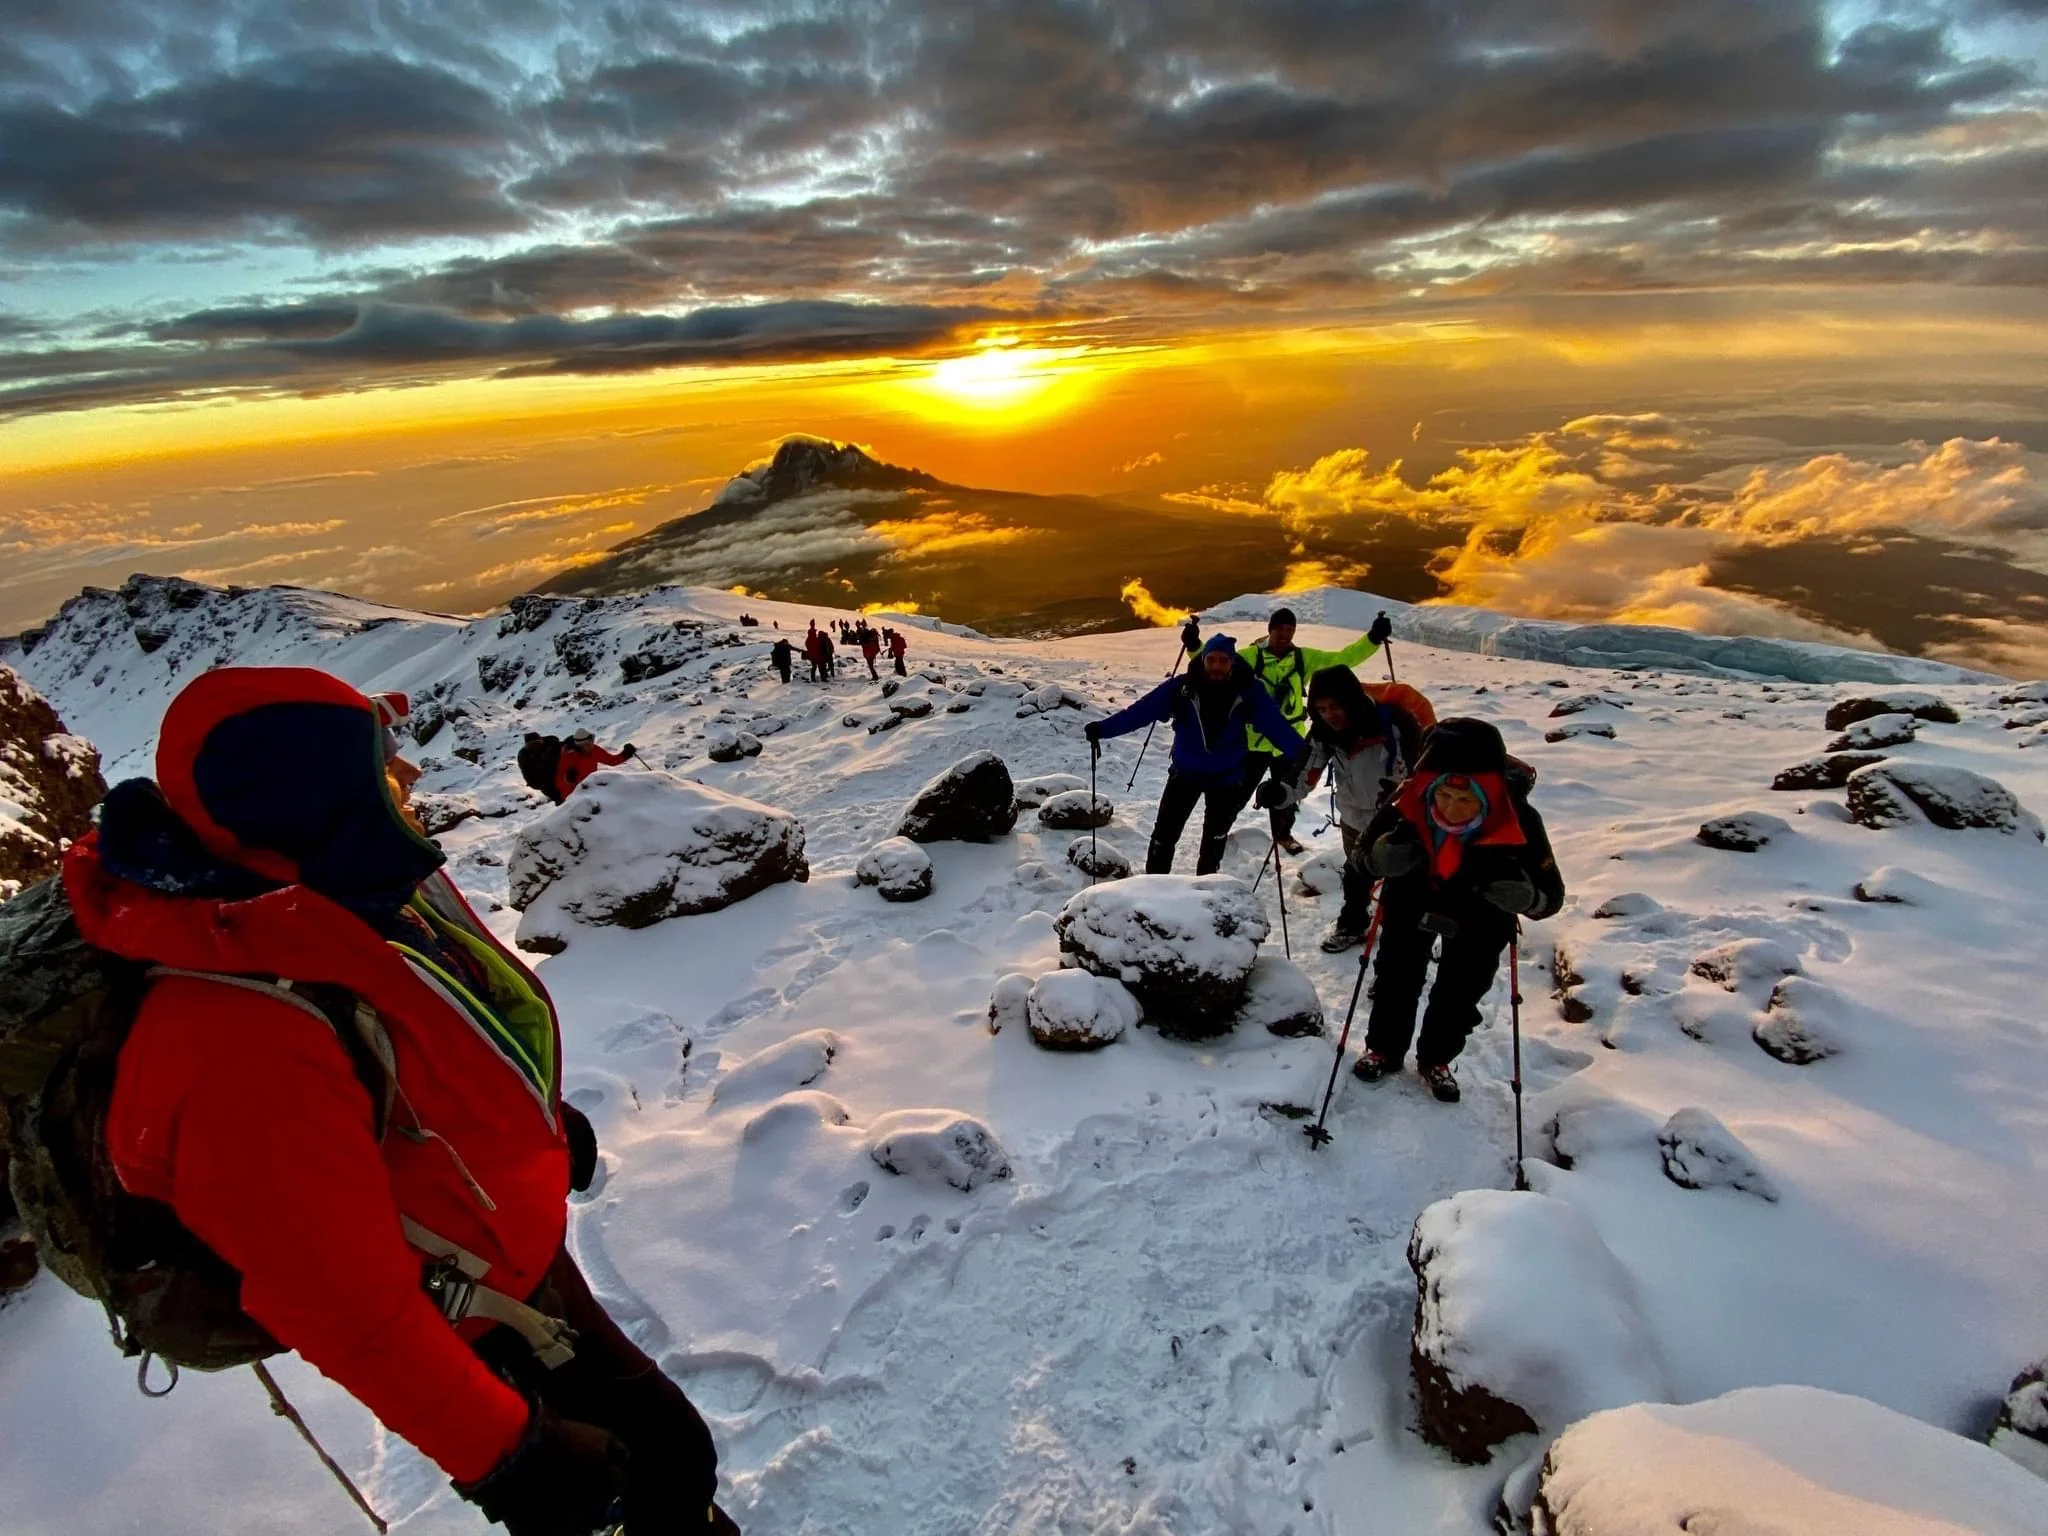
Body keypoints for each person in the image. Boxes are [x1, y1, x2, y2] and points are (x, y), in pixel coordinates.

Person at [64, 667, 737, 1533]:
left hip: (505, 1262)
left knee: (673, 1460)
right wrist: (508, 1454)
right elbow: (342, 1305)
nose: (410, 783)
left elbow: (418, 1059)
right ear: (308, 794)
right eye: (382, 769)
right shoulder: (232, 1039)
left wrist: (528, 1127)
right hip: (469, 1322)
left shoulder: (323, 904)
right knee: (656, 1469)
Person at [1349, 717, 1563, 1103]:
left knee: (1460, 993)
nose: (1452, 809)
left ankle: (1436, 1058)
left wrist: (1529, 899)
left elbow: (1552, 895)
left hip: (1480, 920)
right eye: (1443, 797)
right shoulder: (1405, 801)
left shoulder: (1521, 820)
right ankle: (1384, 1049)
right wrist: (1377, 859)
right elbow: (1360, 856)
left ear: (1491, 793)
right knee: (1396, 978)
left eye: (1466, 800)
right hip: (1411, 903)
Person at [1086, 635, 1305, 875]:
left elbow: (1276, 727)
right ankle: (1152, 888)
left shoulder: (1248, 690)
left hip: (1227, 778)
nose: (1217, 666)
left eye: (1223, 661)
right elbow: (1142, 711)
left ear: (1232, 662)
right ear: (1203, 660)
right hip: (1185, 773)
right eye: (1212, 660)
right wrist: (1104, 729)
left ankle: (1205, 890)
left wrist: (1309, 755)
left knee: (1214, 840)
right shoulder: (1182, 688)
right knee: (1164, 837)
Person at [1244, 607, 1394, 855]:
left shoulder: (1302, 658)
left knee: (1289, 785)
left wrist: (1373, 639)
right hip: (1253, 740)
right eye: (1280, 628)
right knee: (1239, 792)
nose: (1285, 634)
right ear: (1269, 629)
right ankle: (1222, 830)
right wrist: (1195, 644)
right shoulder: (1250, 657)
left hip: (1290, 738)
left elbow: (1343, 659)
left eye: (1290, 629)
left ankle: (1283, 834)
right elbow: (1217, 660)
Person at [1287, 666, 1411, 951]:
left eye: (1335, 706)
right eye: (1321, 709)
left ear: (1352, 700)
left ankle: (1400, 944)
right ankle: (1353, 926)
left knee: (1401, 886)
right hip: (1355, 819)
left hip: (1399, 820)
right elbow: (1305, 772)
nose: (1329, 715)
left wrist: (1398, 796)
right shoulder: (1323, 733)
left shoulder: (1394, 723)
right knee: (1357, 875)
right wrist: (1280, 794)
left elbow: (1419, 772)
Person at [555, 727, 634, 800]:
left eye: (591, 742)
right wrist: (568, 782)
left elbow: (611, 761)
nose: (591, 746)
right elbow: (559, 781)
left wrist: (626, 754)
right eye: (587, 744)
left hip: (592, 788)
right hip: (574, 795)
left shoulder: (594, 750)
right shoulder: (568, 756)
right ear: (579, 745)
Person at [516, 731, 566, 805]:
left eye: (537, 743)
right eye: (531, 745)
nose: (535, 747)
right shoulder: (525, 756)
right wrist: (539, 785)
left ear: (542, 741)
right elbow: (527, 773)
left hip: (564, 774)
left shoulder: (552, 744)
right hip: (547, 783)